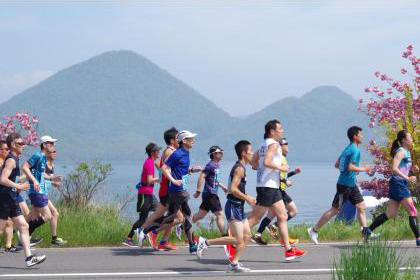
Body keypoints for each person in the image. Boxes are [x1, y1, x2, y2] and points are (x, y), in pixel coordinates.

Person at [247, 120, 306, 261]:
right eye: (280, 129)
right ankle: (232, 239)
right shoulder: (273, 144)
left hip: (270, 186)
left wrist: (260, 166)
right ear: (272, 131)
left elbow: (252, 162)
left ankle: (289, 250)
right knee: (255, 219)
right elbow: (267, 162)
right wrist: (282, 168)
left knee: (283, 216)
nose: (282, 131)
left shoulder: (263, 144)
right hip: (268, 186)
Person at [307, 126, 375, 244]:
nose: (362, 136)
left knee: (361, 206)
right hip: (345, 186)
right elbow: (350, 167)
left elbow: (337, 164)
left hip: (351, 184)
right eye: (360, 134)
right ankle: (313, 230)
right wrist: (364, 169)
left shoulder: (347, 149)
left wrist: (352, 171)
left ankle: (365, 233)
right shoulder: (354, 150)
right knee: (335, 210)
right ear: (355, 136)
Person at [196, 140, 255, 273]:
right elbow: (233, 189)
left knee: (247, 236)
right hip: (233, 206)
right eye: (251, 151)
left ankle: (234, 264)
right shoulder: (239, 168)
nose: (252, 154)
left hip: (239, 206)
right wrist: (248, 198)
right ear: (244, 153)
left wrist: (246, 198)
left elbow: (231, 188)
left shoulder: (241, 167)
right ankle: (205, 243)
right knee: (238, 239)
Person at [148, 130, 202, 253]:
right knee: (183, 216)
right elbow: (165, 168)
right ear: (182, 141)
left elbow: (179, 169)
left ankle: (159, 237)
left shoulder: (184, 153)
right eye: (191, 138)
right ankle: (150, 232)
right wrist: (174, 180)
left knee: (177, 217)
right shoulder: (173, 152)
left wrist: (192, 170)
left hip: (179, 189)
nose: (193, 140)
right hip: (175, 190)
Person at [130, 127, 182, 251]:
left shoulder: (158, 159)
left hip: (162, 190)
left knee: (166, 216)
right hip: (156, 191)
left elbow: (163, 167)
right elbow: (152, 178)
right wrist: (162, 179)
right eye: (157, 151)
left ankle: (159, 238)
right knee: (175, 217)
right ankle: (148, 232)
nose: (159, 152)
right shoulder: (163, 155)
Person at [0, 133, 47, 266]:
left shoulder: (15, 158)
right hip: (4, 199)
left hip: (12, 199)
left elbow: (11, 178)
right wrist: (19, 185)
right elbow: (2, 179)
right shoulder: (11, 160)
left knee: (24, 226)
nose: (24, 146)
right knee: (1, 229)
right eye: (21, 144)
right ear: (13, 145)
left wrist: (24, 179)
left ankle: (29, 258)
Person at [368, 130, 419, 246]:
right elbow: (394, 169)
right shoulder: (400, 152)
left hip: (398, 184)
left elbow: (402, 168)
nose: (412, 139)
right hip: (399, 183)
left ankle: (368, 230)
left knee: (390, 213)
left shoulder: (407, 152)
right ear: (403, 140)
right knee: (412, 211)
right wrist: (408, 178)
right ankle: (418, 239)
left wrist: (412, 170)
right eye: (410, 137)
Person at [251, 137, 300, 246]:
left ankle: (259, 234)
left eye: (287, 143)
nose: (287, 146)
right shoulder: (279, 158)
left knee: (273, 214)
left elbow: (282, 173)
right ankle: (275, 230)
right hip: (277, 190)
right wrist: (285, 181)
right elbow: (277, 173)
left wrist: (293, 173)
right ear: (280, 147)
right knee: (292, 211)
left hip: (275, 189)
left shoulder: (280, 158)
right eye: (285, 144)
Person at [123, 143, 161, 247]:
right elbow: (149, 180)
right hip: (145, 195)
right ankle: (129, 238)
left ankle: (146, 234)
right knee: (142, 219)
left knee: (160, 212)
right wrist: (159, 179)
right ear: (153, 152)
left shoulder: (151, 162)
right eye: (157, 151)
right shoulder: (149, 163)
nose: (159, 152)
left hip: (149, 194)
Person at [22, 135, 58, 245]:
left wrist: (52, 178)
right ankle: (25, 233)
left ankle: (24, 238)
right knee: (47, 216)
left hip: (39, 190)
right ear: (44, 145)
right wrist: (34, 180)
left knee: (33, 217)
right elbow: (24, 166)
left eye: (53, 144)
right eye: (51, 144)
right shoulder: (37, 155)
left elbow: (41, 174)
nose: (53, 146)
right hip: (36, 190)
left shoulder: (43, 158)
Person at [193, 146, 228, 235]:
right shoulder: (210, 165)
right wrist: (198, 191)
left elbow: (215, 180)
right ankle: (224, 235)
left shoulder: (216, 165)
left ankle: (184, 224)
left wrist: (222, 187)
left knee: (200, 216)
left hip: (208, 194)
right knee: (220, 214)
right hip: (210, 194)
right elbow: (202, 176)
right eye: (220, 153)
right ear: (215, 154)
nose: (222, 154)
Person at [43, 147, 66, 246]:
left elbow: (49, 180)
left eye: (56, 151)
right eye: (53, 152)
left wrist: (55, 183)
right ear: (48, 153)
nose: (55, 153)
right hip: (39, 192)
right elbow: (39, 177)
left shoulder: (52, 165)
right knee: (54, 213)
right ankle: (54, 239)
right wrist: (53, 179)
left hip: (44, 192)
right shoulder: (43, 164)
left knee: (33, 216)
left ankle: (23, 233)